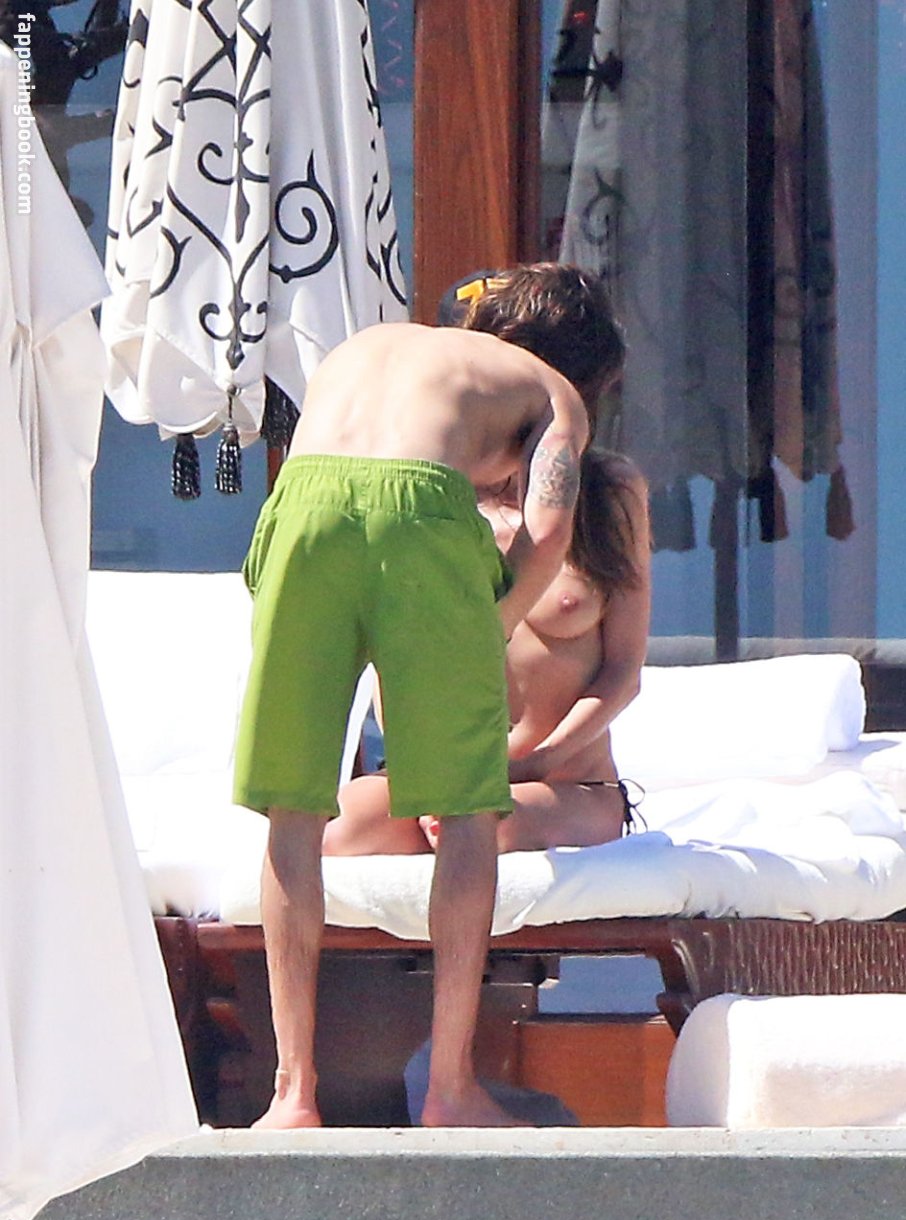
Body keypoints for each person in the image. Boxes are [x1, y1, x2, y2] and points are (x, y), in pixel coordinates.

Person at [232, 263, 623, 1128]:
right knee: (467, 812)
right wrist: (490, 623)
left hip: (298, 504)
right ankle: (451, 1089)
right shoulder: (553, 392)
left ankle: (291, 1096)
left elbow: (316, 493)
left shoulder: (367, 347)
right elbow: (550, 528)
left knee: (294, 814)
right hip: (419, 511)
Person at [322, 445, 650, 860]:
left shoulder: (607, 489)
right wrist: (424, 770)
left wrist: (536, 763)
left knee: (479, 829)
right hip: (443, 774)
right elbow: (393, 662)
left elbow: (624, 672)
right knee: (337, 832)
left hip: (566, 782)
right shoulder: (432, 492)